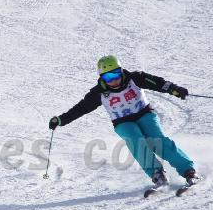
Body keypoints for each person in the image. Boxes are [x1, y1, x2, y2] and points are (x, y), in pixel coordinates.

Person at [48, 55, 197, 187]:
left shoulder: (135, 78)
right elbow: (81, 108)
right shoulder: (98, 93)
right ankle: (157, 174)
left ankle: (188, 170)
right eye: (108, 77)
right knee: (136, 141)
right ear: (102, 78)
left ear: (121, 71)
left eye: (116, 74)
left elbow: (158, 83)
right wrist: (61, 120)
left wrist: (174, 89)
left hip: (144, 113)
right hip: (122, 122)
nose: (114, 80)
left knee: (157, 140)